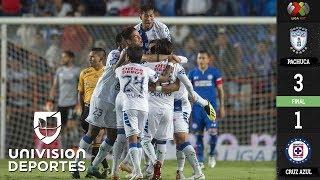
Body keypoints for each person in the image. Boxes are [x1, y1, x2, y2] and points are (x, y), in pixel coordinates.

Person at [115, 45, 172, 180]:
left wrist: (122, 58)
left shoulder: (120, 70)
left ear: (127, 57)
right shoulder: (146, 70)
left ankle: (138, 172)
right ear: (141, 57)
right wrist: (170, 63)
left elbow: (114, 70)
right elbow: (163, 79)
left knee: (132, 140)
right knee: (139, 139)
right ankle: (137, 170)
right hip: (144, 108)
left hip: (129, 107)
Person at [188, 50, 225, 169]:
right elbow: (188, 92)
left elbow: (220, 90)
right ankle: (200, 160)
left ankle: (212, 154)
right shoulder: (192, 73)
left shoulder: (215, 72)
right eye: (199, 58)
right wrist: (188, 108)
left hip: (210, 108)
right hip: (197, 109)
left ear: (209, 59)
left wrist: (222, 106)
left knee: (213, 132)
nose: (201, 60)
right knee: (199, 135)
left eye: (204, 58)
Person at [77, 48, 110, 177]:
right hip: (88, 108)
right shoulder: (84, 73)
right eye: (89, 56)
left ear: (101, 58)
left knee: (95, 140)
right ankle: (95, 169)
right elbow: (80, 93)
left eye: (93, 57)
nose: (90, 59)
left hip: (103, 108)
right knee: (96, 140)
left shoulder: (108, 71)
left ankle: (88, 170)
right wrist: (82, 111)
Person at [47, 51, 80, 135]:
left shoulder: (77, 71)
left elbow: (81, 88)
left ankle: (75, 146)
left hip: (72, 104)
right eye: (62, 57)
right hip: (61, 104)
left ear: (71, 58)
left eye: (64, 57)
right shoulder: (59, 70)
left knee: (71, 126)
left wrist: (79, 103)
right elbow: (54, 86)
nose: (62, 59)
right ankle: (63, 147)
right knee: (61, 129)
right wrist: (51, 100)